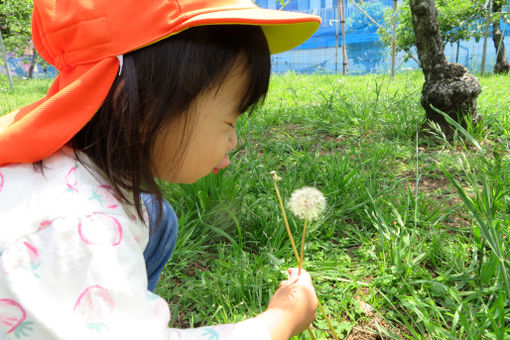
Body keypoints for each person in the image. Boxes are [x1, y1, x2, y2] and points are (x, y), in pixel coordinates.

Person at [0, 1, 321, 339]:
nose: (233, 140)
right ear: (133, 105)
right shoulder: (77, 230)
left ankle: (117, 309)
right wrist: (279, 321)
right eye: (229, 120)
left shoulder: (72, 169)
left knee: (157, 214)